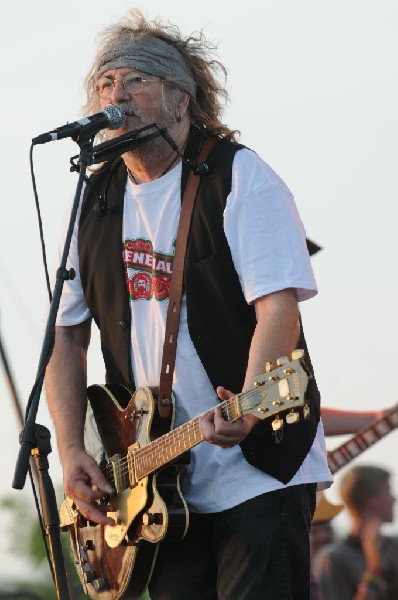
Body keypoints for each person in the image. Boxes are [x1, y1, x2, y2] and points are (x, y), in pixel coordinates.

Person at [45, 9, 333, 599]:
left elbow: (278, 306)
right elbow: (66, 336)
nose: (114, 96)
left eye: (134, 82)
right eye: (104, 84)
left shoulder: (238, 175)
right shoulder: (93, 199)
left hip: (258, 467)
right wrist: (73, 448)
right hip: (156, 486)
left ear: (180, 99)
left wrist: (251, 405)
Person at [313, 465, 398, 599]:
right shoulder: (333, 559)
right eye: (388, 491)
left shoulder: (394, 545)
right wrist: (374, 569)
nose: (394, 499)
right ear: (373, 502)